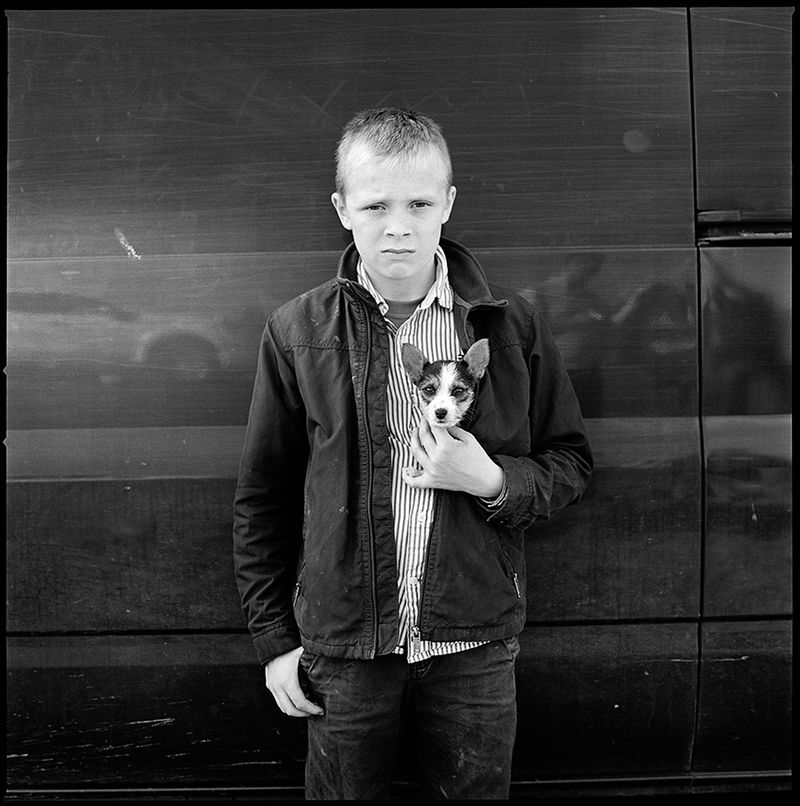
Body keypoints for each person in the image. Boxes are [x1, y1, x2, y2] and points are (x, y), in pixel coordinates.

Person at [233, 107, 592, 800]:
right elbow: (264, 496)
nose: (398, 225)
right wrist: (275, 640)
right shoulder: (298, 331)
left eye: (419, 204)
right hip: (345, 647)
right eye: (376, 205)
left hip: (472, 645)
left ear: (448, 204)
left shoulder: (508, 327)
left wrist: (491, 480)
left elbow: (570, 462)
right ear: (342, 209)